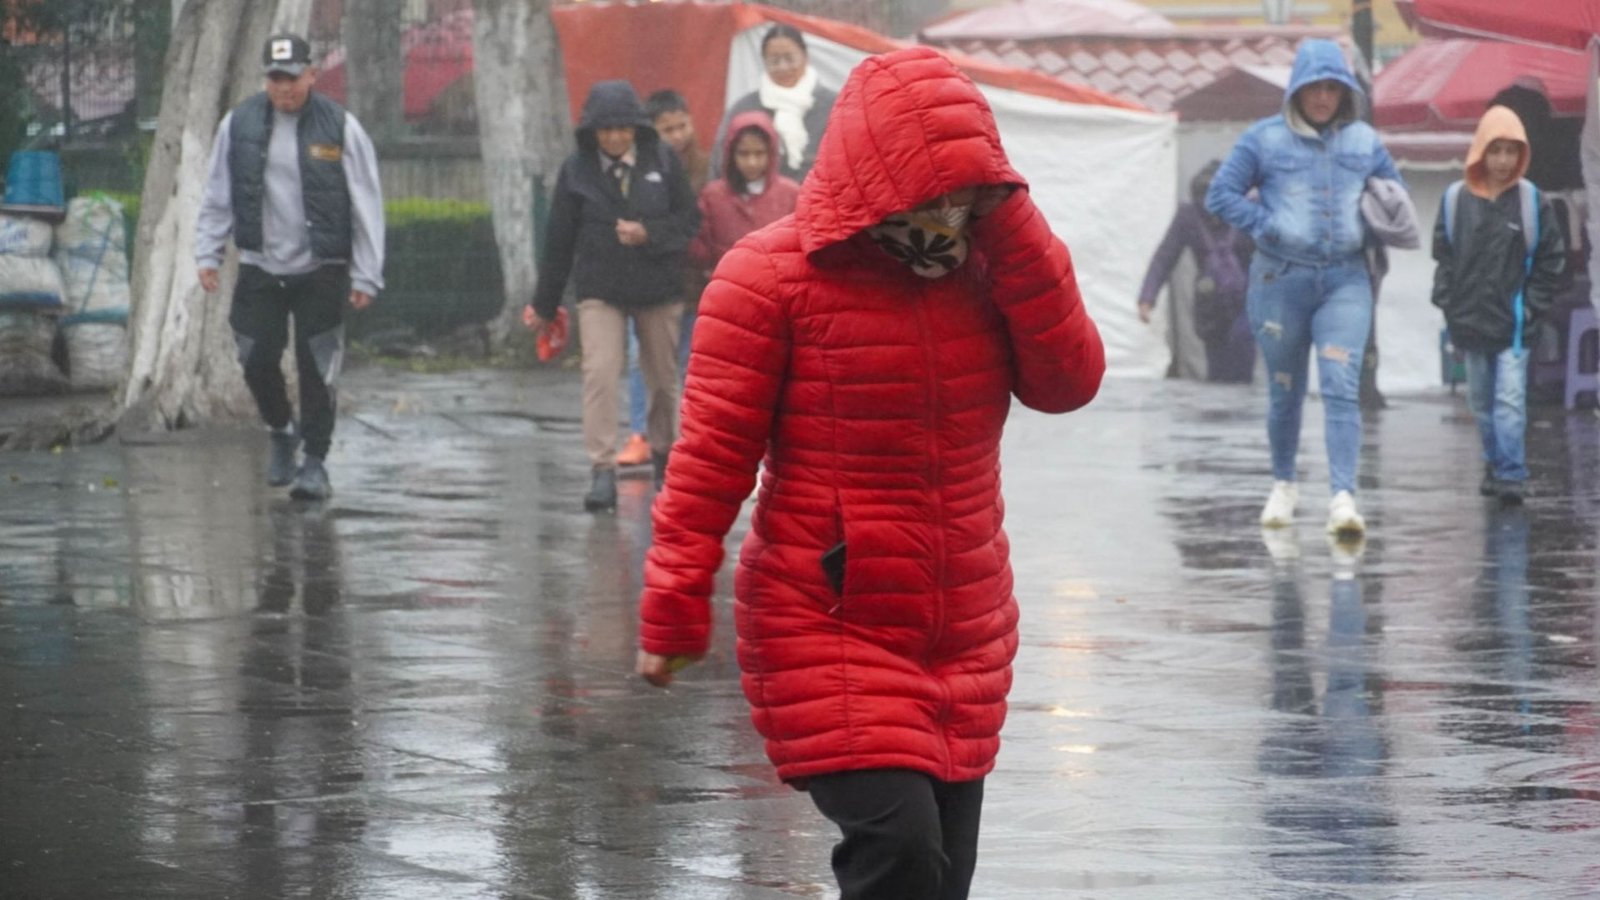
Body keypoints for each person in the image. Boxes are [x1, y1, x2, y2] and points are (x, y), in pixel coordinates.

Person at [635, 48, 1104, 899]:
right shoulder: (768, 280)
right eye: (935, 184)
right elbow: (708, 465)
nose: (949, 207)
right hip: (828, 622)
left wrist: (1012, 222)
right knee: (901, 854)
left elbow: (1068, 381)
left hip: (964, 626)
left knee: (940, 880)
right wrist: (672, 608)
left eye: (968, 187)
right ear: (873, 170)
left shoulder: (987, 265)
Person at [1206, 38, 1402, 537]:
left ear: (1344, 91)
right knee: (1284, 389)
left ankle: (1343, 498)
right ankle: (1285, 483)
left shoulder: (1364, 142)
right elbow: (1221, 193)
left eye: (1332, 88)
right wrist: (1264, 224)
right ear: (1296, 89)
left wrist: (1386, 222)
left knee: (1341, 386)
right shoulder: (1263, 139)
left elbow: (1392, 195)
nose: (1322, 97)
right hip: (1280, 280)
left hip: (1346, 280)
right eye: (1314, 87)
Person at [195, 33, 384, 501]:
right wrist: (208, 252)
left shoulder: (340, 127)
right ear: (266, 80)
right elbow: (218, 192)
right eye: (276, 79)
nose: (285, 88)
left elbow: (367, 202)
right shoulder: (238, 124)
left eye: (294, 78)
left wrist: (366, 273)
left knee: (317, 367)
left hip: (322, 267)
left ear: (312, 75)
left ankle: (314, 462)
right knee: (255, 356)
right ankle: (281, 428)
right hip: (262, 265)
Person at [523, 80, 699, 512]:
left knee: (662, 378)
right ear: (592, 132)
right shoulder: (576, 170)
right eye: (605, 130)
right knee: (600, 372)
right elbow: (559, 241)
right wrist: (545, 306)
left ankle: (664, 459)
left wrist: (650, 234)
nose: (615, 137)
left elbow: (689, 220)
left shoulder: (662, 160)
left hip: (658, 289)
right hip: (600, 289)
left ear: (636, 127)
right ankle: (602, 470)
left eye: (623, 128)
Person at [1432, 106, 1566, 506]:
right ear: (1481, 152)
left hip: (1514, 325)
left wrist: (1531, 308)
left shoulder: (1531, 202)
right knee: (1481, 402)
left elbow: (1550, 259)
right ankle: (1494, 462)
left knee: (1509, 401)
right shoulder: (1456, 200)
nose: (1504, 161)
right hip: (1470, 323)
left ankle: (1511, 473)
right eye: (1496, 151)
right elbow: (1444, 257)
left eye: (1512, 151)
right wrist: (1448, 304)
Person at [618, 89, 716, 468]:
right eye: (667, 129)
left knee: (691, 361)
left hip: (696, 284)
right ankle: (642, 433)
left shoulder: (706, 167)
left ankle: (687, 433)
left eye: (682, 126)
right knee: (639, 359)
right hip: (647, 282)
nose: (678, 135)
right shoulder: (638, 169)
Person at [1137, 160, 1256, 383]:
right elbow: (1165, 256)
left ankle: (1242, 410)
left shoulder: (1247, 211)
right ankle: (1218, 411)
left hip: (1247, 296)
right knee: (1217, 364)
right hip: (1211, 299)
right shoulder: (1188, 216)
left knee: (1242, 349)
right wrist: (1147, 297)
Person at [713, 24, 836, 182]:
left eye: (789, 59)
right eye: (774, 61)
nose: (783, 67)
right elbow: (720, 163)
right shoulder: (745, 109)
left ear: (805, 57)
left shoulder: (833, 105)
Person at [689, 110, 800, 274]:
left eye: (759, 153)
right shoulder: (712, 196)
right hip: (728, 285)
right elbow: (701, 249)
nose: (752, 162)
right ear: (730, 154)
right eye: (743, 153)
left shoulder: (791, 194)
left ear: (772, 153)